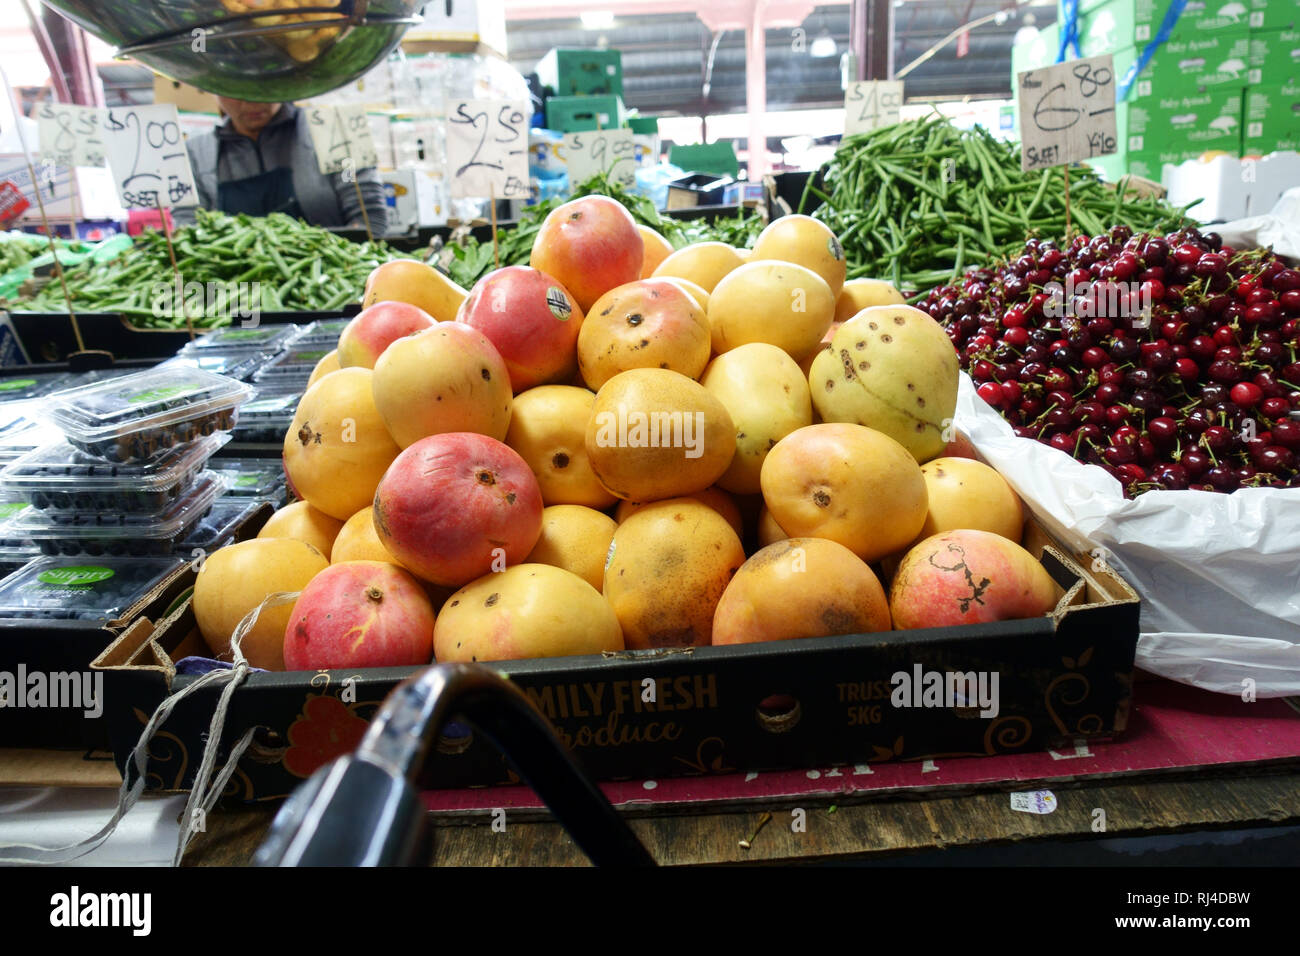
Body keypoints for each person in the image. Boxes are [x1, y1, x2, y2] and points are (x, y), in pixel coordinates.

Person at [178, 97, 387, 233]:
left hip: (332, 286)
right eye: (236, 92)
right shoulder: (196, 154)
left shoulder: (335, 128)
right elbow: (189, 233)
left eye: (261, 86)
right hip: (239, 294)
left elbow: (370, 220)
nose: (252, 103)